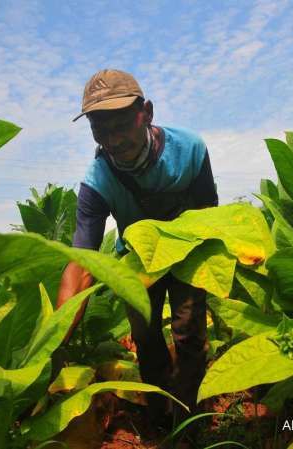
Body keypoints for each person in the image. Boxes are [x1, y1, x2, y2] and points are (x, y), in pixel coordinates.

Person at [56, 69, 218, 428]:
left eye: (120, 125)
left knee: (189, 331)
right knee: (145, 338)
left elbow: (209, 209)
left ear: (146, 112)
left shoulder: (190, 148)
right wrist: (55, 337)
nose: (112, 141)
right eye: (100, 129)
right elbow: (82, 261)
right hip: (139, 260)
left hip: (186, 250)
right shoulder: (97, 181)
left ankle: (189, 420)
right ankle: (160, 418)